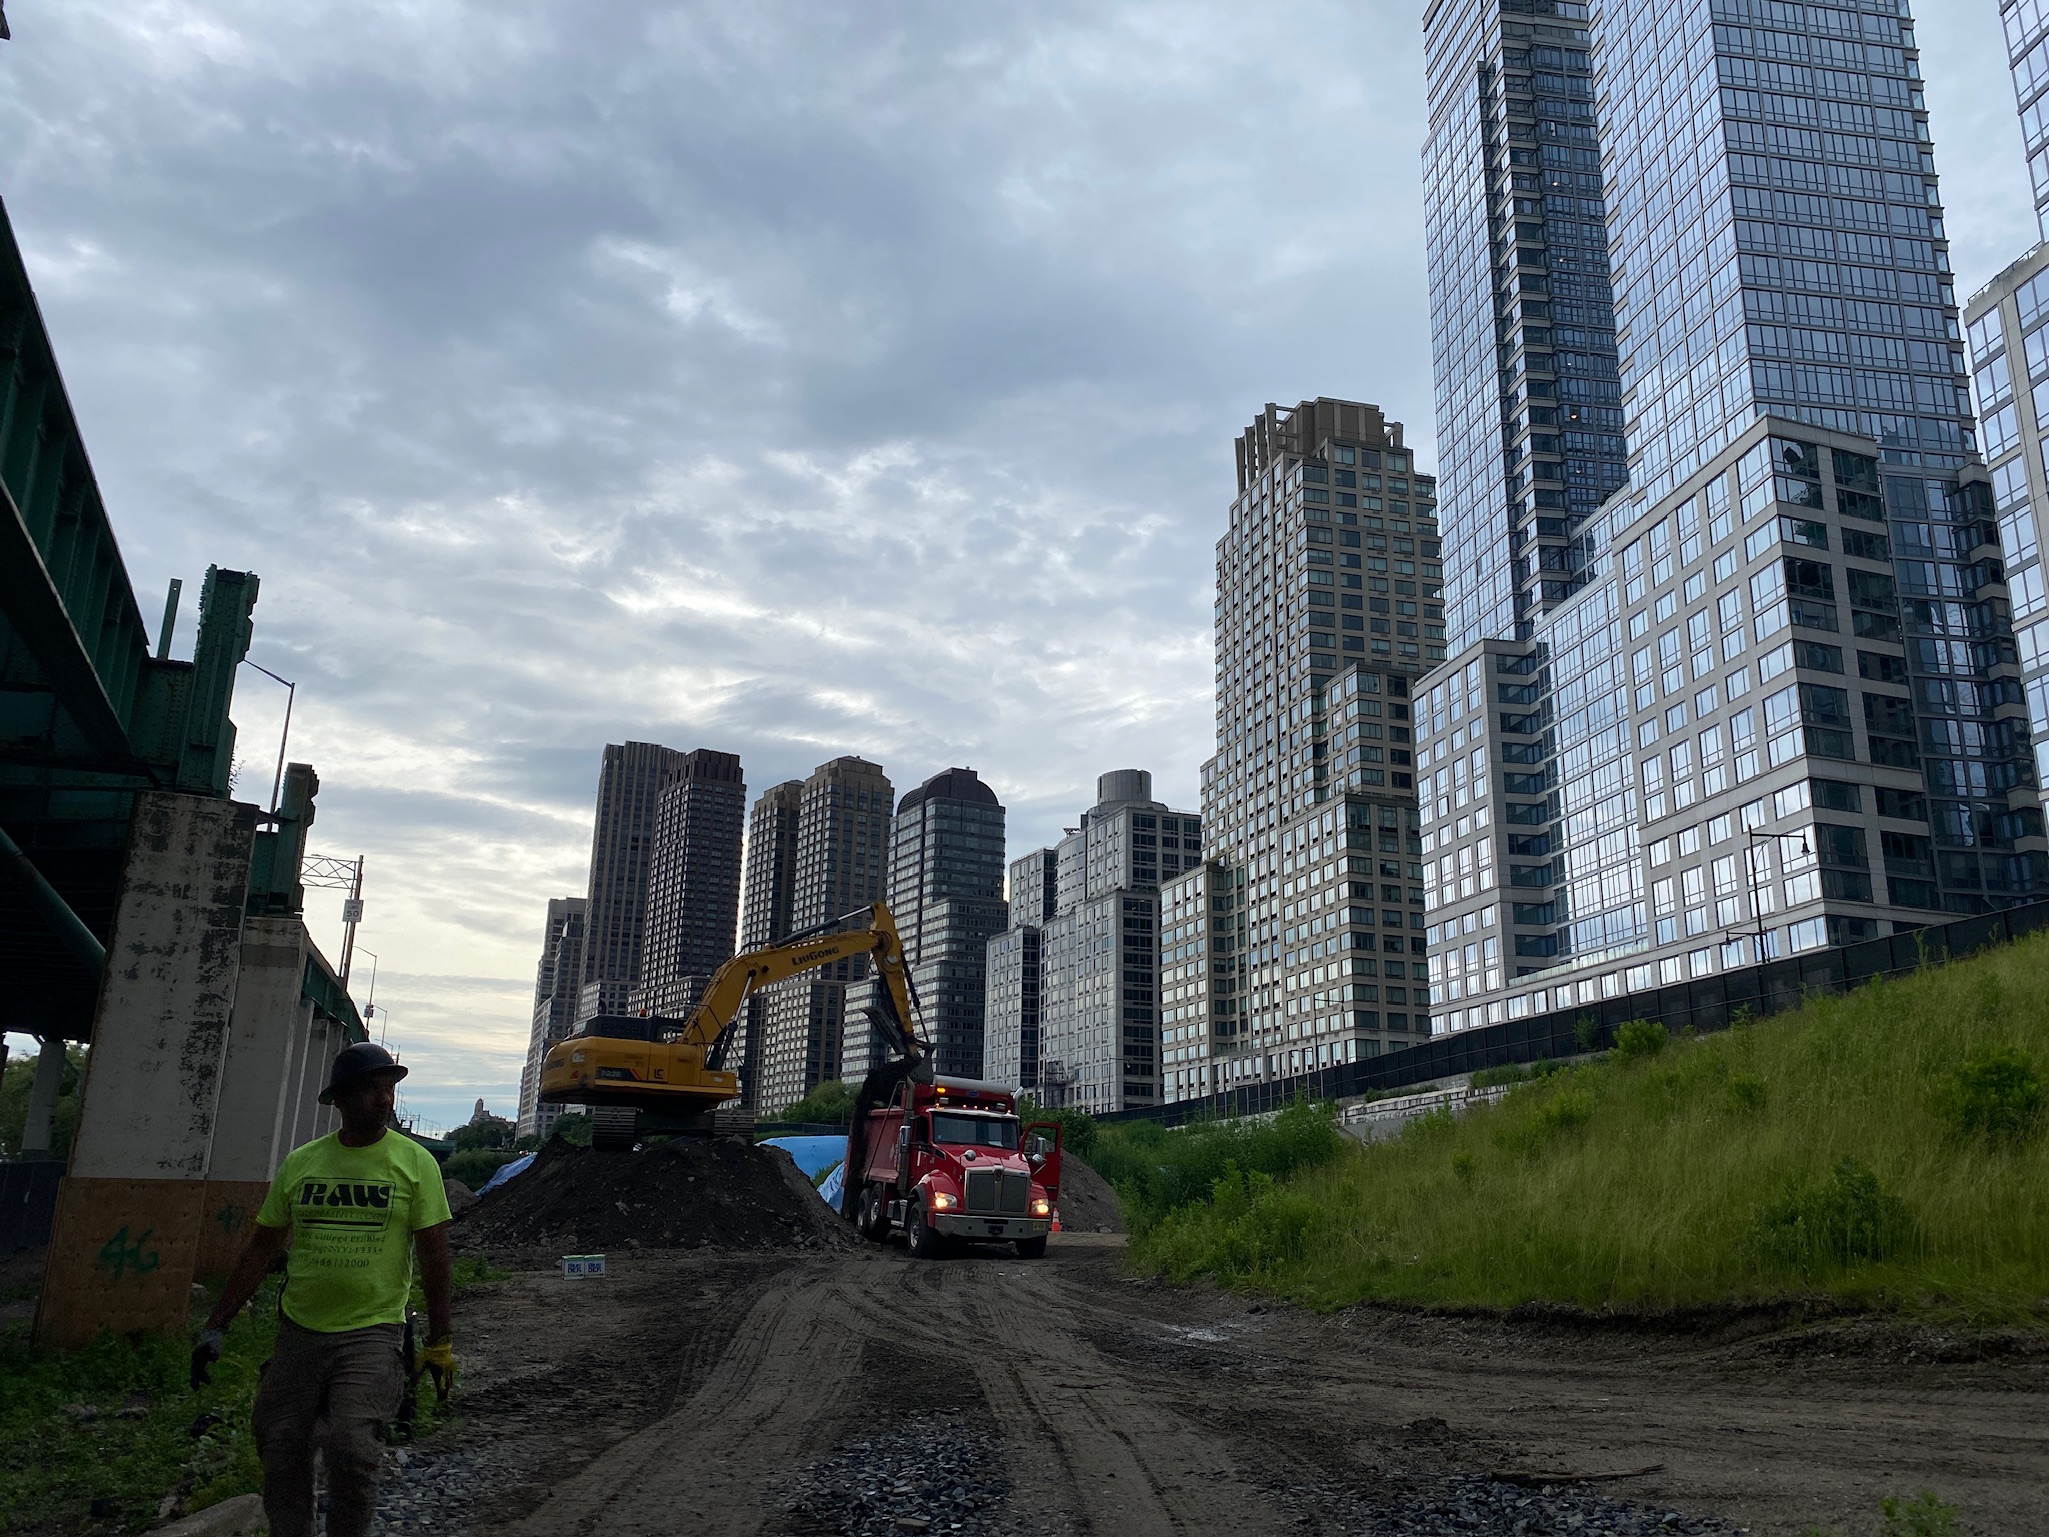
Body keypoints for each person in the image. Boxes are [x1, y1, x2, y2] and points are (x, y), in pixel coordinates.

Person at [193, 1042, 454, 1537]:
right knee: (281, 1445)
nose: (384, 1100)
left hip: (372, 1332)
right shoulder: (302, 1164)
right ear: (340, 1098)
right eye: (371, 1089)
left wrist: (440, 1341)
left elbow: (435, 1258)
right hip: (300, 1333)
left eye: (389, 1089)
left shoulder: (415, 1164)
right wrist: (215, 1325)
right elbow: (260, 1250)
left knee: (352, 1445)